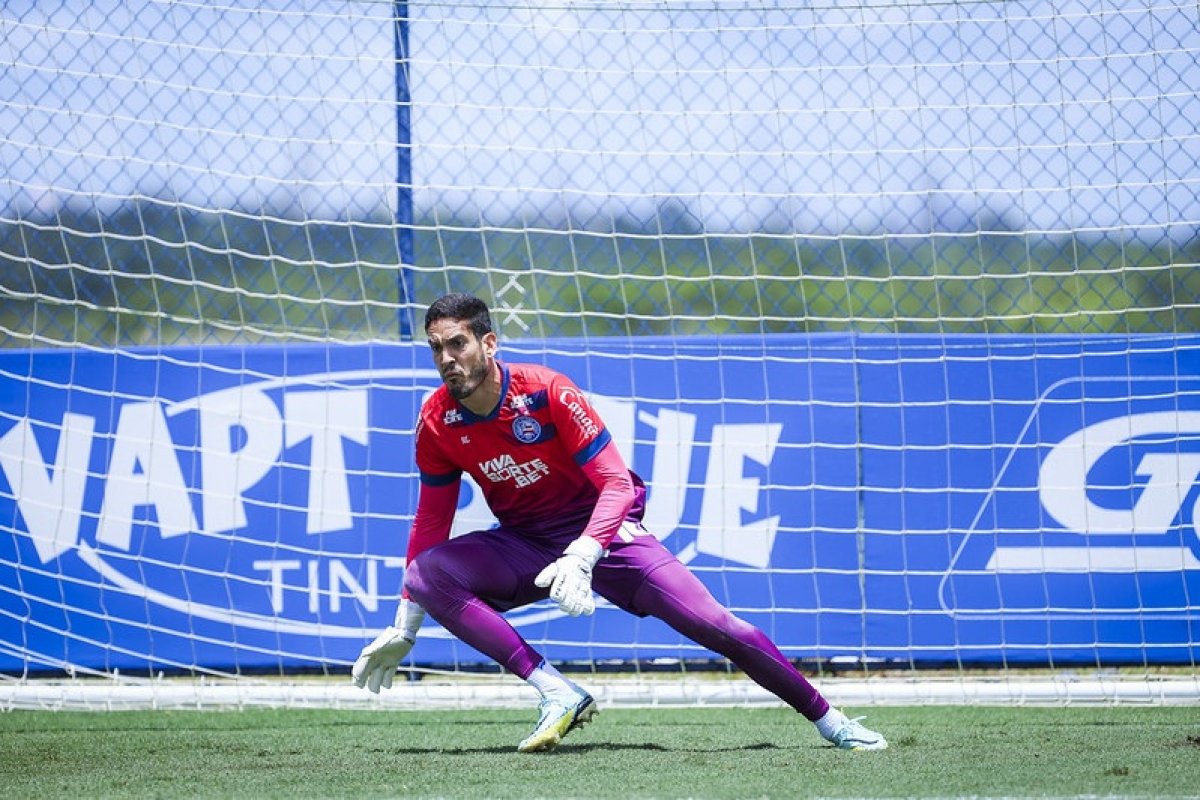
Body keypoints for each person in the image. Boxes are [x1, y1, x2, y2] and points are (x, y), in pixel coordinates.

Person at [352, 292, 888, 753]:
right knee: (427, 573)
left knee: (716, 625)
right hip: (527, 544)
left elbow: (616, 484)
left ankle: (832, 721)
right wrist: (406, 622)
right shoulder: (436, 420)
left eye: (458, 344)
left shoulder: (546, 391)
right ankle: (557, 691)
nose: (447, 359)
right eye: (436, 348)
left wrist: (584, 553)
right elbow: (431, 519)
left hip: (605, 534)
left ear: (488, 345)